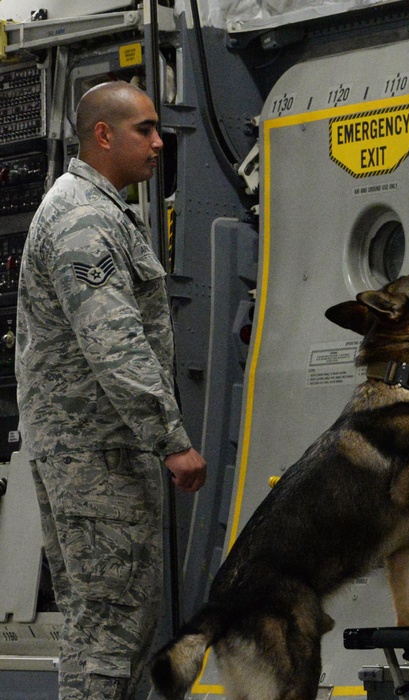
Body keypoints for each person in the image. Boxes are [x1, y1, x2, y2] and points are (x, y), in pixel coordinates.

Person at [15, 80, 207, 699]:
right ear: (103, 135)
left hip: (89, 451)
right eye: (144, 130)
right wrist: (170, 438)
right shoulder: (83, 219)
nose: (158, 143)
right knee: (114, 625)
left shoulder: (90, 208)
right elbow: (113, 340)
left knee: (95, 623)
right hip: (97, 455)